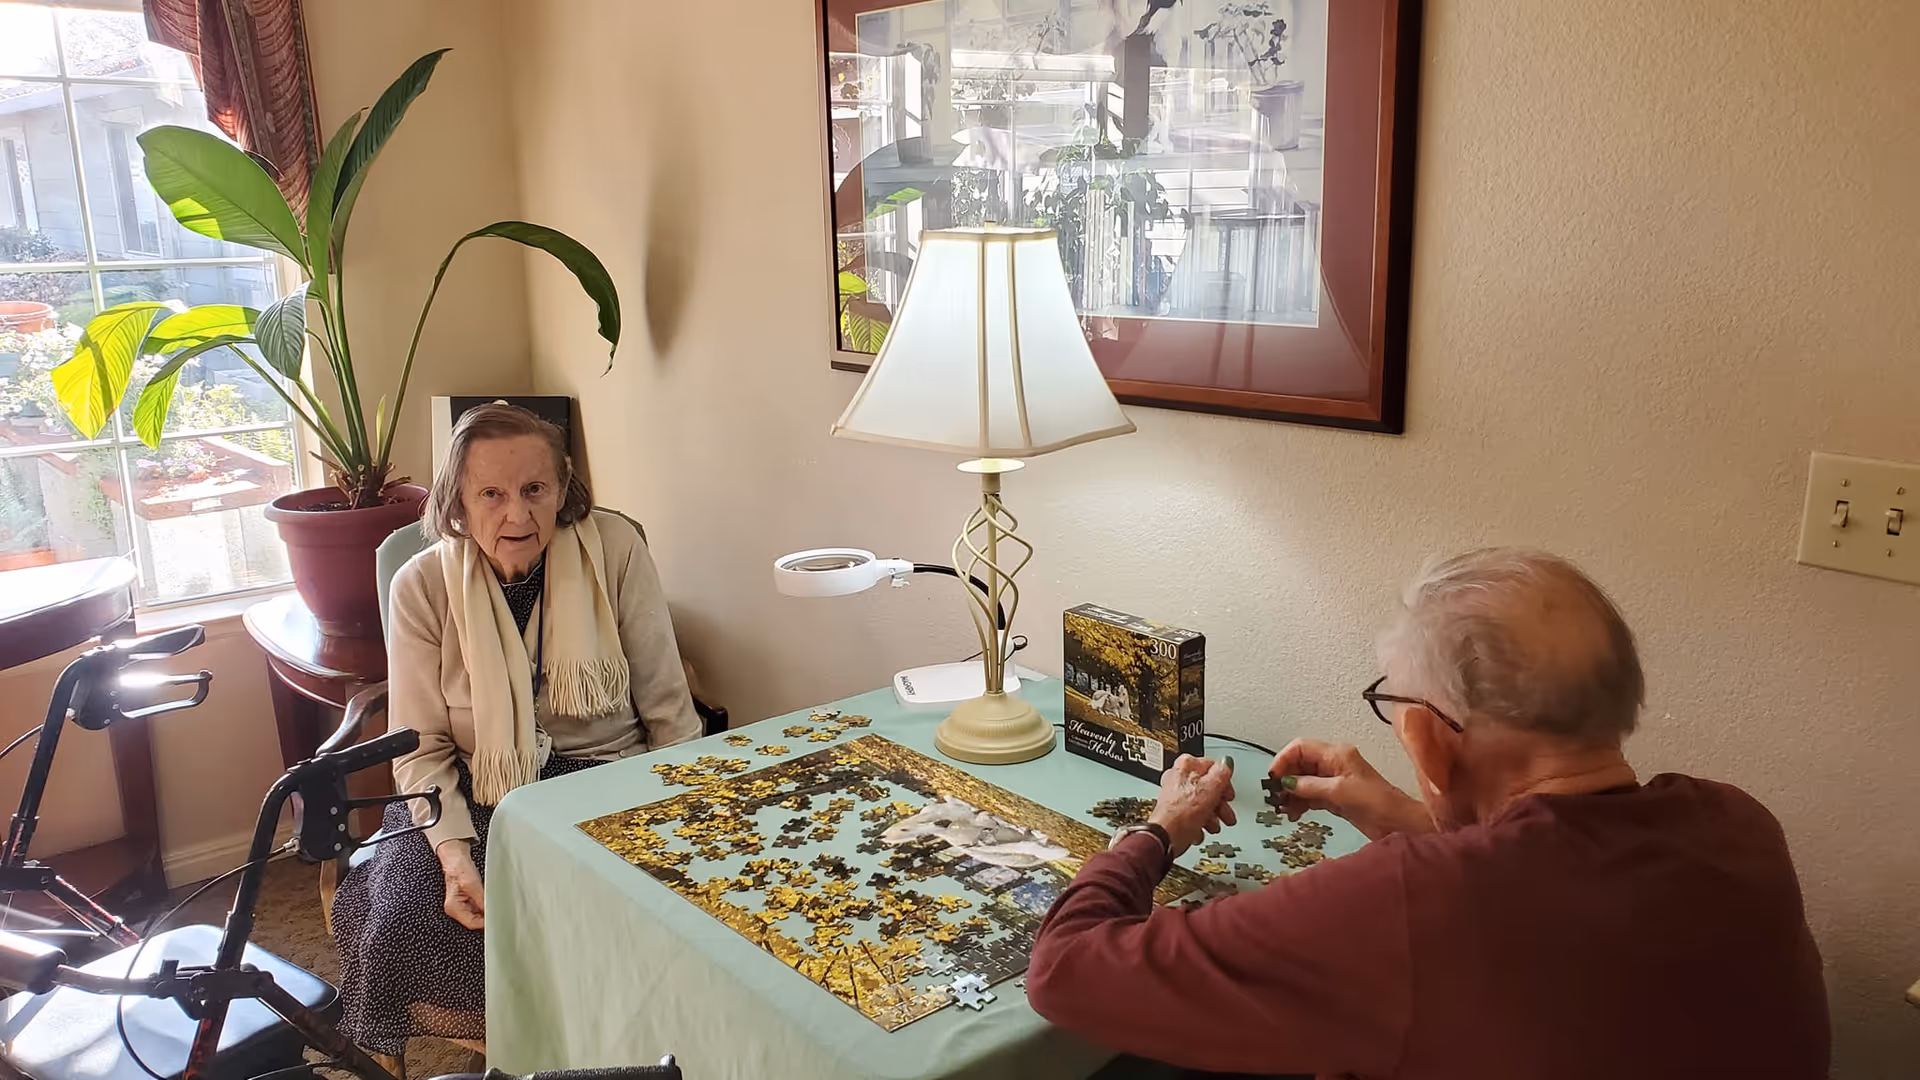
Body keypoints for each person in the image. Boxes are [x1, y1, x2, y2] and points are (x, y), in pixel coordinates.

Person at [1027, 549, 1829, 1079]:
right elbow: (1558, 895)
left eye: (1392, 706)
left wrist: (1161, 826)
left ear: (1426, 737)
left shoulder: (1415, 899)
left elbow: (1065, 972)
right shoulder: (1741, 825)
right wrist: (1418, 819)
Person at [331, 403, 701, 1059]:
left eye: (535, 490)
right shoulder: (422, 586)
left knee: (610, 927)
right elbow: (420, 752)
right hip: (471, 788)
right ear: (458, 504)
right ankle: (526, 1057)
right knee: (402, 923)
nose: (518, 515)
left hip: (603, 782)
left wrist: (686, 817)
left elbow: (669, 707)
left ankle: (603, 1056)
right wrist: (452, 857)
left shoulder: (614, 549)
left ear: (564, 489)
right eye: (492, 495)